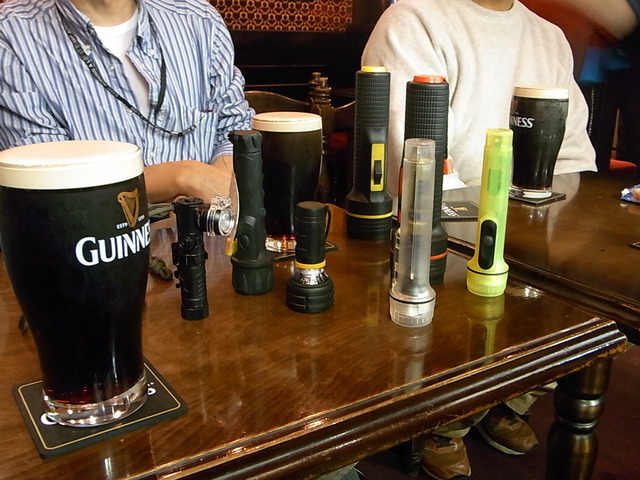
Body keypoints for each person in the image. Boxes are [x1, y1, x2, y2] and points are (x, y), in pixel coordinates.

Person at [362, 1, 596, 479]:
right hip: (430, 226)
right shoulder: (415, 18)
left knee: (587, 302)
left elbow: (572, 158)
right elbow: (417, 160)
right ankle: (446, 419)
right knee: (472, 287)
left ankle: (506, 396)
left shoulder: (549, 36)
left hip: (524, 223)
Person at [0, 0, 253, 204]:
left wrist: (220, 187)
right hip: (92, 243)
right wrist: (183, 177)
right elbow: (47, 179)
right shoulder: (12, 33)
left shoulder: (199, 18)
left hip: (210, 241)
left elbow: (233, 128)